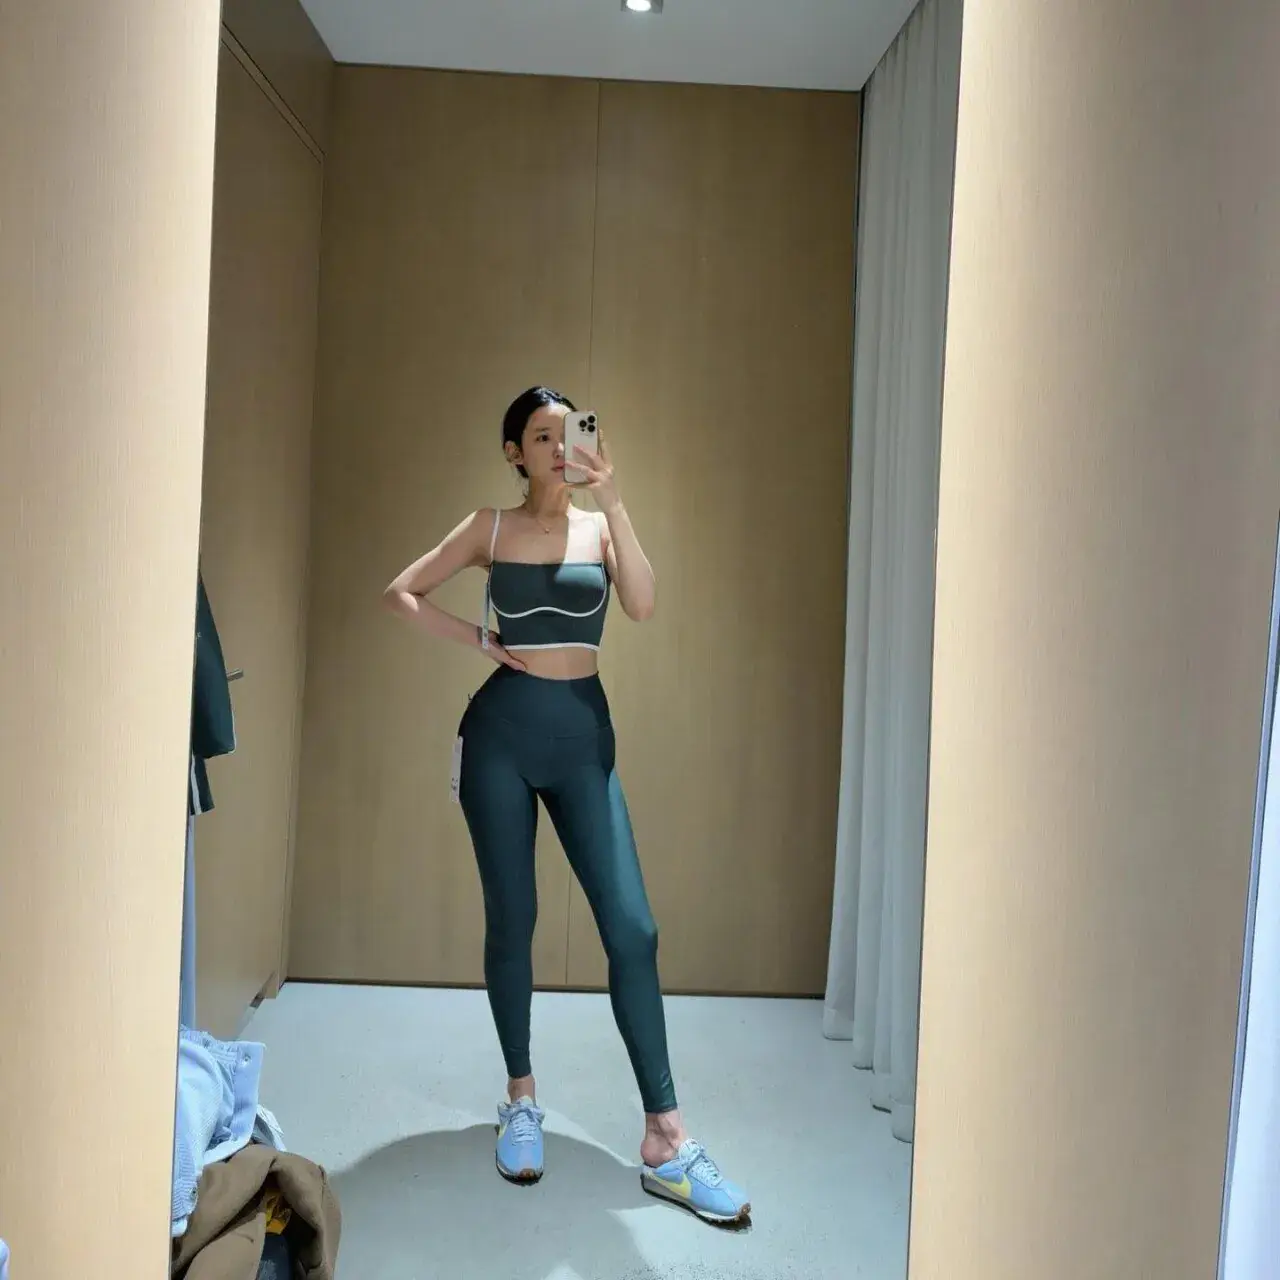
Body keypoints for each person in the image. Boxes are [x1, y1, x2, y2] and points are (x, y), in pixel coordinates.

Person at [383, 387, 751, 1226]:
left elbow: (643, 603)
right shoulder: (489, 528)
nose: (558, 449)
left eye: (569, 435)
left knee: (633, 929)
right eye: (541, 437)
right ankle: (521, 1099)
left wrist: (614, 499)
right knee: (514, 917)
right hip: (501, 740)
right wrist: (477, 639)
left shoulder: (598, 528)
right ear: (514, 452)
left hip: (584, 739)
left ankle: (666, 1138)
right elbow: (401, 591)